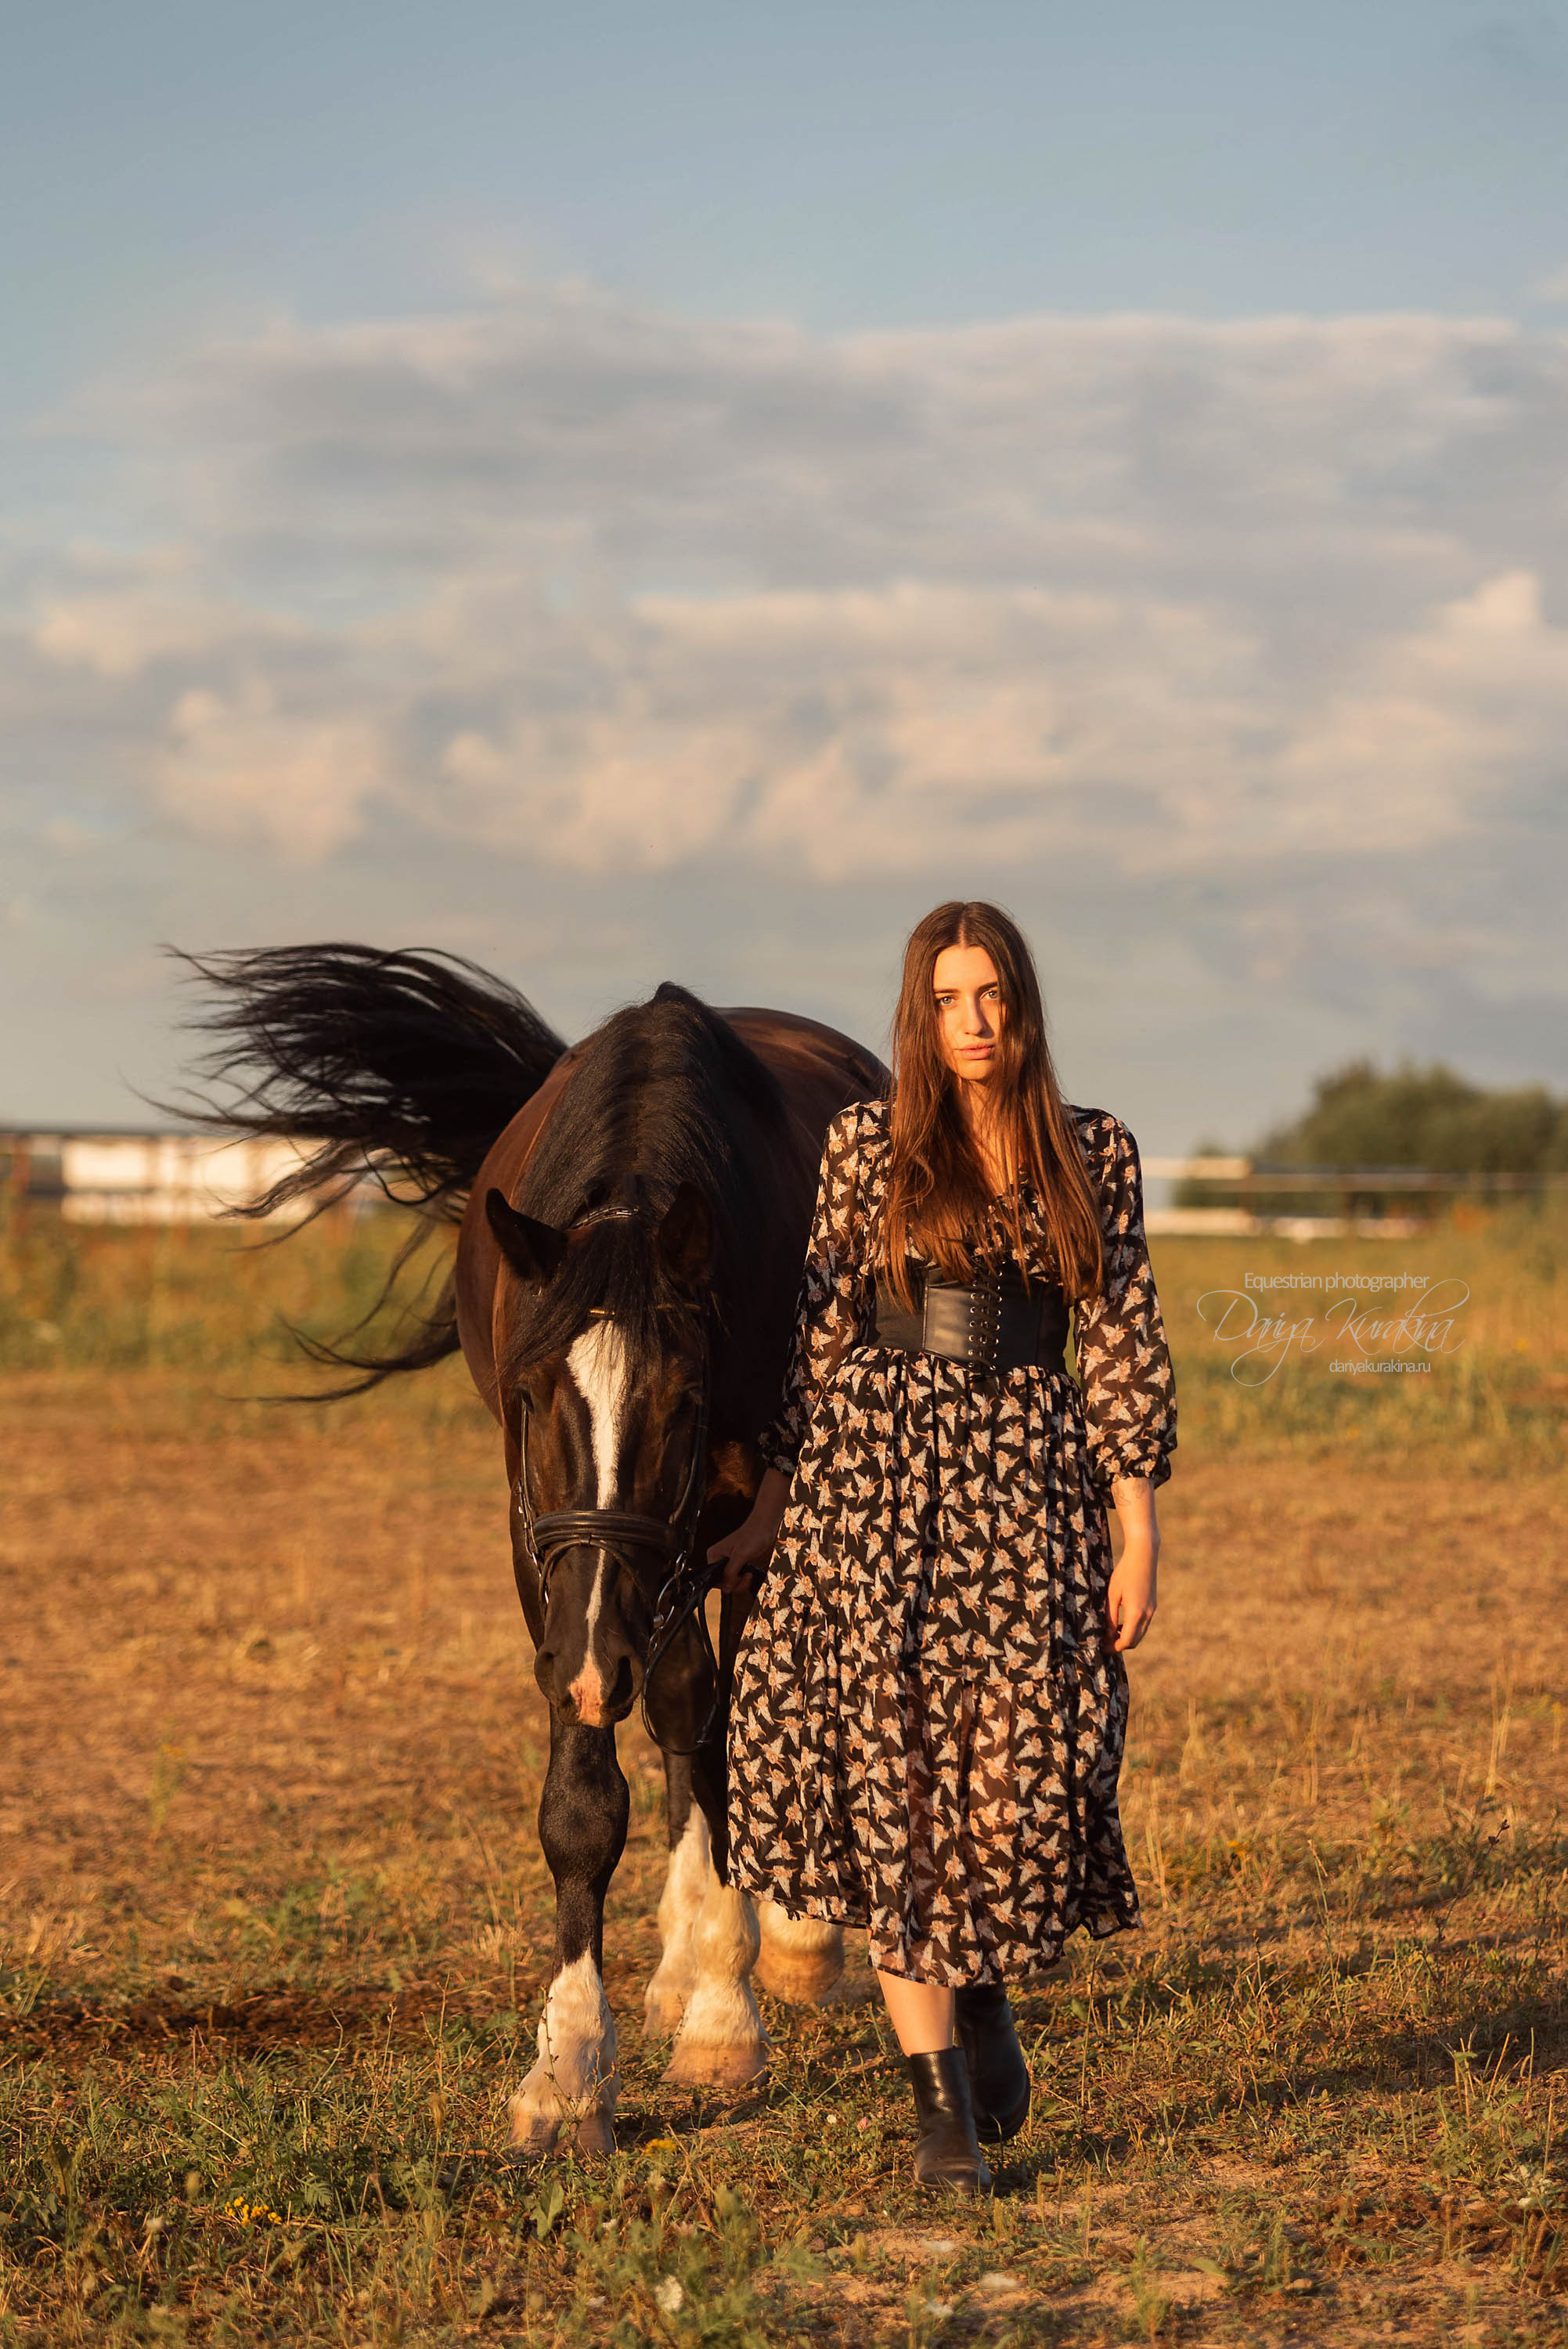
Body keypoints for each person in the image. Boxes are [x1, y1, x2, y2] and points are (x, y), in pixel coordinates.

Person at [708, 900, 1176, 2195]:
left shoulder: (1096, 1151)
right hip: (879, 1481)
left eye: (993, 997)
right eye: (948, 1001)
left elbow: (1124, 1340)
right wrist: (777, 1498)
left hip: (1029, 1488)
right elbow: (821, 1324)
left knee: (1013, 1773)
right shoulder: (869, 1144)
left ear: (1022, 1004)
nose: (973, 1025)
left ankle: (980, 2002)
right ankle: (939, 2126)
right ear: (921, 1014)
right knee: (899, 1781)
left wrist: (1137, 1529)